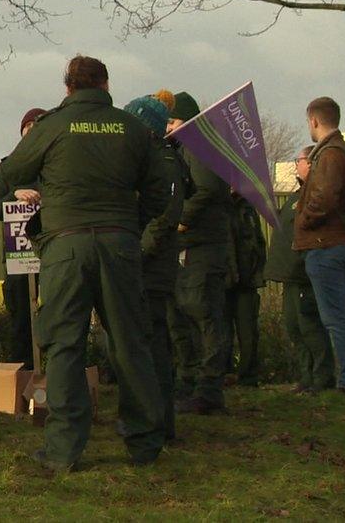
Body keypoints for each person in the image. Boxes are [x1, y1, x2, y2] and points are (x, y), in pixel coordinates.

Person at [1, 55, 171, 470]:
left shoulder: (51, 126)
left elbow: (13, 171)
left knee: (64, 346)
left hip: (65, 246)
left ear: (68, 88)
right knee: (131, 342)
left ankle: (63, 451)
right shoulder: (131, 128)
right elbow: (159, 191)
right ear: (106, 84)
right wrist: (130, 225)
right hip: (120, 244)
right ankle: (145, 444)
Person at [294, 96, 345, 402]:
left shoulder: (329, 156)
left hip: (327, 245)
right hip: (344, 242)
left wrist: (304, 219)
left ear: (313, 121)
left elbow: (323, 199)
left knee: (336, 319)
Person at [123, 94, 188, 442]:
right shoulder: (157, 160)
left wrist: (137, 252)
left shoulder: (164, 163)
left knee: (153, 344)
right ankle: (156, 421)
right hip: (149, 264)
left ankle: (160, 424)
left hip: (152, 267)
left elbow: (163, 218)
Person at [166, 92, 233, 415]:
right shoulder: (194, 147)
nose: (167, 126)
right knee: (192, 312)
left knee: (203, 313)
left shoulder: (197, 148)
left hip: (202, 244)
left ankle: (207, 388)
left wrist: (181, 219)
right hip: (200, 243)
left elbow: (206, 189)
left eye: (172, 120)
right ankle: (195, 384)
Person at [264, 146, 335, 393]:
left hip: (305, 274)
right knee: (294, 326)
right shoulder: (297, 195)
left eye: (300, 160)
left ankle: (322, 377)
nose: (297, 164)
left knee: (310, 327)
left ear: (312, 163)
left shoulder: (316, 194)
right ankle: (306, 377)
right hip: (289, 274)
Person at [0, 107, 45, 369]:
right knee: (20, 319)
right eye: (27, 130)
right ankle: (20, 376)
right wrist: (15, 195)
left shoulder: (57, 164)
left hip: (51, 254)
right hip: (18, 257)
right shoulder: (8, 166)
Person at [224, 190, 266, 387]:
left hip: (246, 279)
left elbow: (258, 242)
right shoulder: (215, 205)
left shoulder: (247, 207)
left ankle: (248, 375)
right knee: (221, 331)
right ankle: (223, 373)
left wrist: (257, 272)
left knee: (248, 331)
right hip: (223, 278)